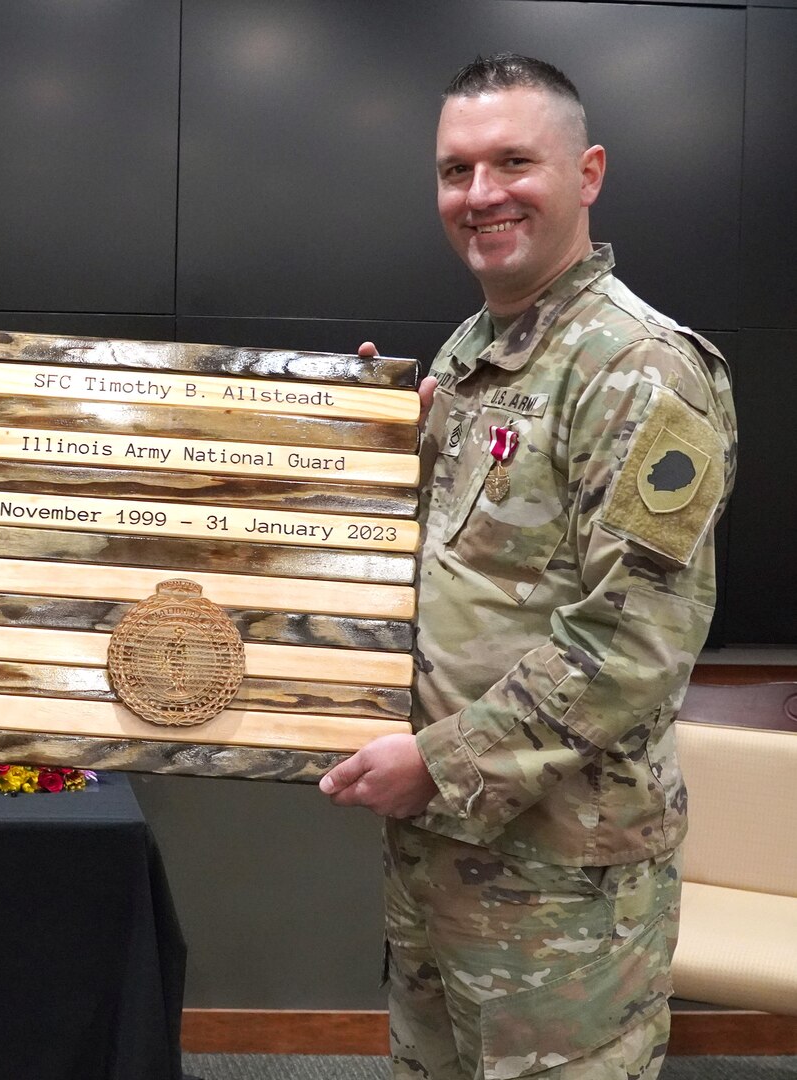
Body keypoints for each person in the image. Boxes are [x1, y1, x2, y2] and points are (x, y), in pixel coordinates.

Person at [319, 54, 736, 1080]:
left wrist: (441, 762)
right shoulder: (472, 355)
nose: (480, 195)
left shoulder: (638, 368)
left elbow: (634, 645)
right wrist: (358, 449)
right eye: (456, 171)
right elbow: (463, 571)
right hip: (439, 857)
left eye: (514, 162)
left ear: (587, 173)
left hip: (563, 889)